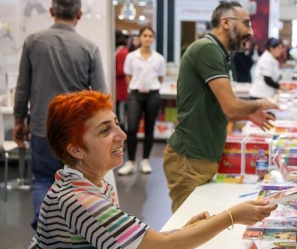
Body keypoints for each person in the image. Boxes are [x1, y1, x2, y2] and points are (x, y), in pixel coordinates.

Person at [28, 90, 276, 249]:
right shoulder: (80, 200)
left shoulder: (92, 184)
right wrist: (232, 217)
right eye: (105, 130)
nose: (122, 135)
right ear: (75, 150)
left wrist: (182, 232)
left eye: (116, 124)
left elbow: (116, 241)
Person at [13, 0, 106, 249]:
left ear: (52, 12)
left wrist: (19, 120)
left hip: (43, 126)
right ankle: (76, 239)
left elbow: (23, 86)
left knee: (43, 180)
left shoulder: (33, 42)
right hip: (77, 133)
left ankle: (44, 235)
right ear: (79, 14)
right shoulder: (89, 47)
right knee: (79, 183)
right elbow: (99, 96)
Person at [164, 1, 278, 212]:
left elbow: (212, 107)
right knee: (187, 229)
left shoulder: (217, 52)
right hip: (190, 158)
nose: (250, 32)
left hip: (201, 156)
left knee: (198, 226)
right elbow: (231, 106)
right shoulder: (207, 49)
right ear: (225, 22)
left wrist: (246, 116)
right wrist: (257, 104)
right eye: (246, 24)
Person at [117, 27, 166, 175]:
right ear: (140, 37)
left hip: (153, 95)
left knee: (149, 128)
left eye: (150, 36)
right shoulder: (131, 56)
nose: (147, 38)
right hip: (136, 95)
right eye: (145, 35)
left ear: (153, 39)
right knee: (132, 128)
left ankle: (145, 160)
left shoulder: (159, 58)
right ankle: (130, 161)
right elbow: (128, 76)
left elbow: (160, 78)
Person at [115, 30, 129, 129]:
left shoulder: (122, 52)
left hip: (120, 86)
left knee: (120, 112)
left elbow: (121, 70)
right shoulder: (121, 51)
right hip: (120, 85)